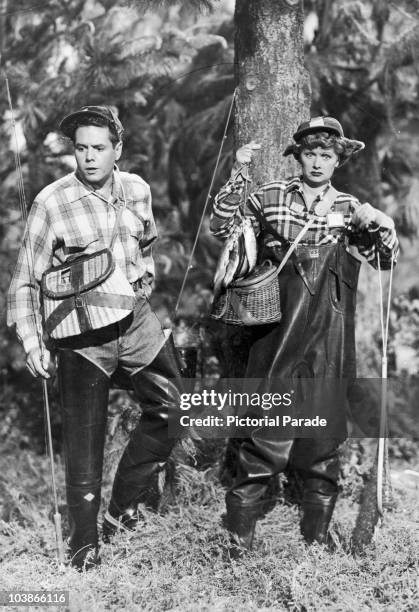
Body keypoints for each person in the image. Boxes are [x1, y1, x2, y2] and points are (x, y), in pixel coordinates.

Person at [210, 116, 399, 552]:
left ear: (337, 161)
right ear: (299, 156)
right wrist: (238, 173)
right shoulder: (272, 195)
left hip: (331, 332)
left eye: (326, 156)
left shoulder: (352, 208)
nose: (317, 162)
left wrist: (381, 225)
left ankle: (317, 542)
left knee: (323, 439)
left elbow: (384, 260)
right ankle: (238, 542)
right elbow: (222, 228)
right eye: (310, 154)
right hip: (276, 330)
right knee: (263, 437)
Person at [7, 106, 183, 570]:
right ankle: (84, 551)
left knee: (174, 407)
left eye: (98, 148)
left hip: (134, 320)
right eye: (81, 148)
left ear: (117, 149)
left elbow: (146, 244)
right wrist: (31, 340)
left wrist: (142, 288)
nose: (88, 158)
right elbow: (25, 280)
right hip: (81, 334)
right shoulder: (52, 202)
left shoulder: (137, 190)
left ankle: (123, 511)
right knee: (84, 446)